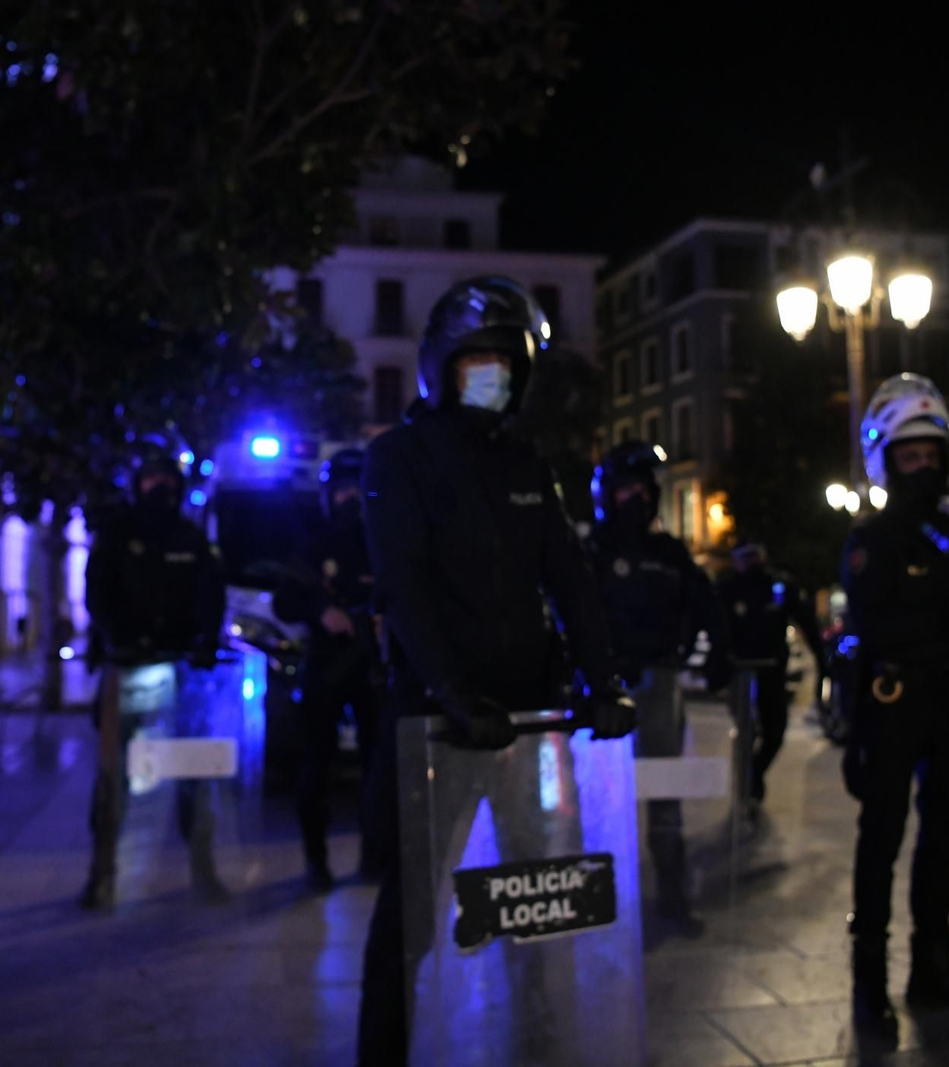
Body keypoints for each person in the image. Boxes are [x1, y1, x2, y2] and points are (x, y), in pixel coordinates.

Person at [356, 276, 635, 1066]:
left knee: (535, 900)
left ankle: (539, 1041)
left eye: (505, 363)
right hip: (437, 723)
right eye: (475, 358)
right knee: (409, 914)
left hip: (526, 724)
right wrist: (451, 691)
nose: (491, 374)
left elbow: (569, 576)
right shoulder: (399, 456)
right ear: (440, 366)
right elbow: (403, 584)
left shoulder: (526, 461)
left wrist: (602, 679)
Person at [840, 373, 949, 1042]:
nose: (922, 466)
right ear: (886, 459)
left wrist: (945, 611)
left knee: (947, 834)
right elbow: (875, 619)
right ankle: (869, 981)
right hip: (890, 702)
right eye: (909, 455)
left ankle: (934, 967)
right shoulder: (872, 538)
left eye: (930, 455)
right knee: (880, 839)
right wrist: (948, 611)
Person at [588, 440, 730, 933]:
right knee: (600, 799)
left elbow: (707, 604)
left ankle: (672, 894)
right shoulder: (593, 550)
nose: (636, 499)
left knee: (665, 797)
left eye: (642, 490)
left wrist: (718, 654)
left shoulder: (669, 553)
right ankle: (598, 898)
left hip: (660, 684)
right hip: (602, 691)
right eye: (625, 490)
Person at [81, 439, 227, 909]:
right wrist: (121, 639)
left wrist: (203, 643)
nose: (160, 487)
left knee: (192, 775)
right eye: (151, 479)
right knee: (112, 780)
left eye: (167, 480)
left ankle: (204, 873)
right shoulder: (117, 535)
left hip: (182, 675)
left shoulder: (192, 538)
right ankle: (102, 874)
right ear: (137, 485)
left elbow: (210, 598)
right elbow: (98, 596)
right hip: (126, 671)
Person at [274, 447, 382, 892]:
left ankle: (375, 858)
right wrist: (321, 612)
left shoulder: (383, 538)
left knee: (379, 769)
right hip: (326, 665)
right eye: (341, 490)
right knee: (315, 767)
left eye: (356, 489)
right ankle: (316, 863)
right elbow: (286, 598)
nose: (348, 498)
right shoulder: (313, 543)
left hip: (373, 666)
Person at [717, 542, 824, 805]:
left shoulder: (780, 587)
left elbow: (806, 621)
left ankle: (754, 776)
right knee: (745, 732)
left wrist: (822, 657)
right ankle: (746, 790)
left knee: (775, 732)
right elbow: (715, 627)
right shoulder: (728, 588)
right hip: (740, 669)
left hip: (772, 670)